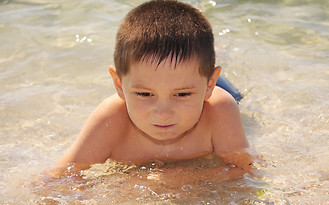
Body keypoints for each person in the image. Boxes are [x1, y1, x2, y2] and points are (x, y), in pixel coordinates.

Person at [48, 0, 253, 180]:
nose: (163, 112)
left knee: (225, 84)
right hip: (193, 78)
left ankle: (217, 51)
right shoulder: (111, 119)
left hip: (215, 85)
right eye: (145, 94)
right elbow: (58, 178)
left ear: (209, 86)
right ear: (119, 85)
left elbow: (245, 170)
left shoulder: (219, 110)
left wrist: (171, 181)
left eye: (181, 95)